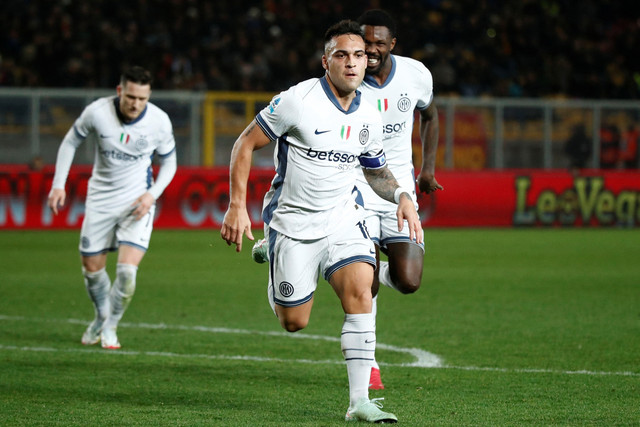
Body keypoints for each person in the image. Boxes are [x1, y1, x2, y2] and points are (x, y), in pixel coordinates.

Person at [221, 20, 421, 423]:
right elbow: (245, 143)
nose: (352, 63)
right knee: (294, 321)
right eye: (342, 55)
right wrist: (235, 205)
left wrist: (402, 197)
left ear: (368, 60)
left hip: (346, 219)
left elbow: (375, 168)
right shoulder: (297, 101)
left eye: (359, 55)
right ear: (325, 61)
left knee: (361, 294)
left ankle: (359, 402)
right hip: (293, 223)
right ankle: (274, 257)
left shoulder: (369, 110)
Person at [47, 66, 177, 350]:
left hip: (137, 202)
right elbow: (70, 141)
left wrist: (151, 195)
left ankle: (111, 326)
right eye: (130, 96)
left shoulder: (159, 122)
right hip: (101, 200)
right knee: (92, 268)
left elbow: (170, 163)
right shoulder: (97, 112)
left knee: (127, 273)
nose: (135, 104)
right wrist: (59, 184)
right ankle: (100, 316)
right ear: (120, 91)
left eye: (142, 99)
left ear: (149, 96)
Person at [355, 8, 443, 390]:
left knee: (409, 280)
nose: (370, 50)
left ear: (393, 44)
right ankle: (369, 362)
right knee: (364, 280)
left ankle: (379, 273)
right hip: (354, 190)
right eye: (365, 42)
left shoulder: (415, 75)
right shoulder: (345, 76)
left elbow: (431, 116)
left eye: (378, 43)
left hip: (399, 193)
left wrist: (427, 170)